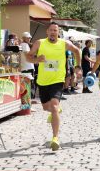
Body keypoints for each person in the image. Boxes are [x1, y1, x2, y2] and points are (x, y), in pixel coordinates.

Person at [26, 22, 82, 151]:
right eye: (51, 30)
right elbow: (29, 57)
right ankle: (54, 111)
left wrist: (78, 68)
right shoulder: (39, 43)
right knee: (47, 107)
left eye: (55, 30)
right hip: (43, 81)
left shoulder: (64, 44)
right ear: (47, 32)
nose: (53, 32)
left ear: (58, 32)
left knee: (55, 107)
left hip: (57, 81)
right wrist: (36, 59)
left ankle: (55, 138)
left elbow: (77, 51)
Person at [20, 32, 36, 109]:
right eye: (28, 37)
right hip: (27, 68)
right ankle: (27, 105)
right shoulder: (25, 45)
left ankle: (28, 104)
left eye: (30, 37)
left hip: (26, 67)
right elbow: (28, 55)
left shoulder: (24, 45)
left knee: (27, 87)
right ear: (24, 38)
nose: (29, 39)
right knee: (27, 87)